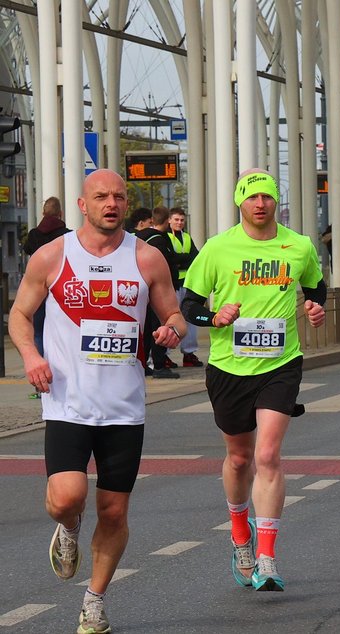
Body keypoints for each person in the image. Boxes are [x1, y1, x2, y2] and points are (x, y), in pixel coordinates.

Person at [9, 169, 186, 634]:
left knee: (113, 511)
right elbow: (20, 314)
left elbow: (173, 313)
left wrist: (171, 329)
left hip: (124, 406)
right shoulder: (52, 256)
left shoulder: (147, 259)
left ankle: (95, 600)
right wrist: (31, 355)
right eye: (101, 196)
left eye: (119, 196)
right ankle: (68, 528)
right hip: (67, 401)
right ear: (82, 205)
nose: (111, 203)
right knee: (68, 497)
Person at [181, 169, 327, 592]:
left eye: (267, 197)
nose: (260, 204)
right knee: (240, 458)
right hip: (228, 365)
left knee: (267, 455)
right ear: (239, 202)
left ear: (275, 202)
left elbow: (316, 289)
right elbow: (191, 305)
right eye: (253, 197)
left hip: (281, 364)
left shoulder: (298, 246)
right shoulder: (218, 248)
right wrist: (215, 317)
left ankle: (266, 554)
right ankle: (240, 534)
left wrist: (315, 309)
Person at [135, 207, 180, 379]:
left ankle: (144, 362)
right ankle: (160, 365)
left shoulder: (138, 238)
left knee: (146, 328)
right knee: (161, 326)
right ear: (167, 220)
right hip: (158, 289)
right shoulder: (161, 241)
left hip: (142, 288)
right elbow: (169, 262)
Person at [23, 196, 70, 361]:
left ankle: (41, 365)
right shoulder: (67, 235)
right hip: (61, 287)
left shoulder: (34, 234)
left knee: (38, 329)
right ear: (61, 214)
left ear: (43, 213)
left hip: (38, 287)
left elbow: (27, 248)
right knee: (64, 328)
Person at [168, 207, 204, 368]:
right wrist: (183, 259)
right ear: (169, 220)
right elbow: (170, 258)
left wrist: (180, 260)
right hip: (172, 284)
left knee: (189, 318)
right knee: (170, 319)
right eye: (176, 219)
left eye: (182, 220)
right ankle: (165, 355)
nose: (179, 222)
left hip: (187, 283)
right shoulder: (166, 237)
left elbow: (195, 258)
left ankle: (189, 353)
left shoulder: (187, 237)